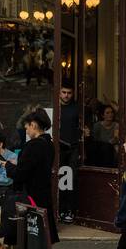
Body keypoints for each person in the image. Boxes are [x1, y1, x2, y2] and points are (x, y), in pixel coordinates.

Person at [6, 108, 59, 246]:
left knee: (31, 241)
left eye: (27, 126)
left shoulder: (33, 146)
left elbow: (20, 174)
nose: (26, 129)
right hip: (44, 196)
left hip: (31, 198)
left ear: (33, 125)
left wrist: (7, 166)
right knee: (42, 241)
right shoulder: (49, 144)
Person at [56, 84, 83, 223]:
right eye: (64, 92)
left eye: (69, 92)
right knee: (59, 179)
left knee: (70, 179)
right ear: (59, 93)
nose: (66, 95)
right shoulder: (55, 107)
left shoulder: (76, 108)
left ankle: (69, 210)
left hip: (72, 148)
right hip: (58, 148)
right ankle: (60, 210)